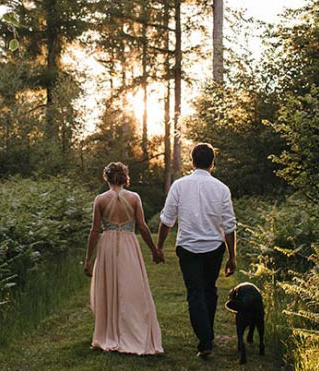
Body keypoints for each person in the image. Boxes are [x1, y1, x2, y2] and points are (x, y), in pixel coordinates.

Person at [157, 142, 237, 358]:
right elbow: (229, 226)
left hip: (188, 247)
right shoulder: (222, 189)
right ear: (213, 162)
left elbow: (167, 219)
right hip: (214, 247)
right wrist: (232, 256)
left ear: (192, 161)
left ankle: (206, 340)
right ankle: (207, 338)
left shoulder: (179, 186)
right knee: (209, 289)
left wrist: (159, 246)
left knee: (195, 292)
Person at [84, 161, 164, 355]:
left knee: (111, 287)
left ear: (107, 177)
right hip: (129, 244)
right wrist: (154, 249)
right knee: (132, 287)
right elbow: (143, 226)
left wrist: (88, 259)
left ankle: (110, 332)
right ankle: (133, 330)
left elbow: (95, 230)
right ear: (125, 177)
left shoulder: (100, 199)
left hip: (108, 245)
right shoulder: (134, 197)